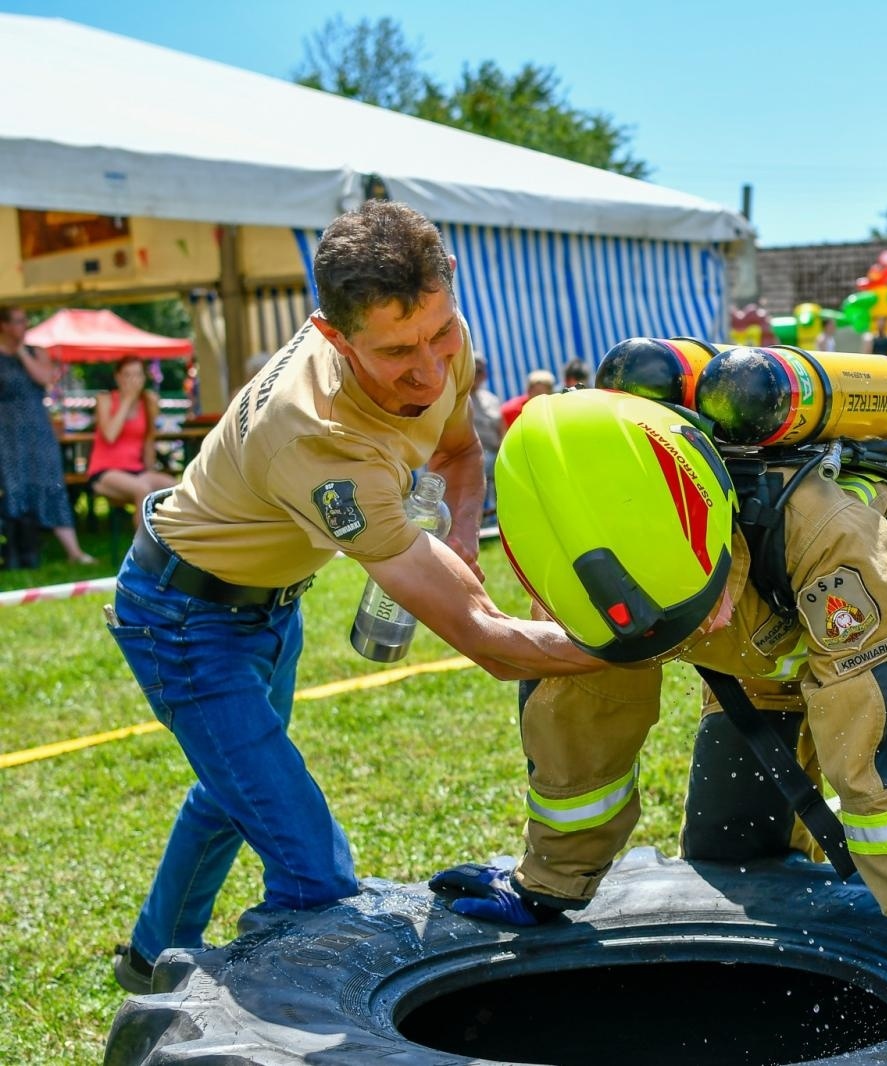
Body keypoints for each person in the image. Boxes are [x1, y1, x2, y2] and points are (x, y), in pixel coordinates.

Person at [436, 389, 887, 1002]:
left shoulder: (830, 535)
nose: (705, 620)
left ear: (717, 520)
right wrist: (548, 882)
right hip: (769, 640)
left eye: (704, 596)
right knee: (734, 852)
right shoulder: (584, 579)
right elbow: (581, 733)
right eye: (684, 622)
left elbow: (880, 760)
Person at [106, 200, 600, 995]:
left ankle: (150, 960)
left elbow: (460, 450)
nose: (432, 369)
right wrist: (632, 641)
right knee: (313, 870)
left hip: (270, 601)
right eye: (399, 351)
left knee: (234, 788)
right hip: (183, 619)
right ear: (332, 335)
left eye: (441, 334)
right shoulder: (315, 435)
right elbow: (482, 640)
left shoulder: (438, 333)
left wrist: (457, 549)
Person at [0, 305, 95, 567]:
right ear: (5, 325)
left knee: (50, 482)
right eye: (18, 321)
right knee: (14, 486)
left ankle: (74, 552)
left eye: (24, 321)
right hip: (6, 432)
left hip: (37, 429)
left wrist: (20, 352)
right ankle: (20, 553)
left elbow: (45, 378)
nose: (24, 326)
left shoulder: (35, 351)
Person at [85, 355, 176, 529]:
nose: (133, 381)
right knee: (143, 490)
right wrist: (126, 400)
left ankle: (176, 545)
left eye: (137, 375)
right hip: (105, 471)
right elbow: (110, 435)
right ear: (118, 377)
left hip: (136, 470)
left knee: (176, 488)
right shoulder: (105, 400)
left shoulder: (148, 402)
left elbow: (149, 441)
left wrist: (152, 472)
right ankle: (142, 552)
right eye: (127, 375)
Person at [468, 354, 504, 518]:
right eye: (475, 369)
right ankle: (475, 518)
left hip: (495, 451)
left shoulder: (491, 399)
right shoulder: (458, 398)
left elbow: (501, 427)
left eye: (481, 370)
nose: (478, 374)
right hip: (473, 452)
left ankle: (503, 517)